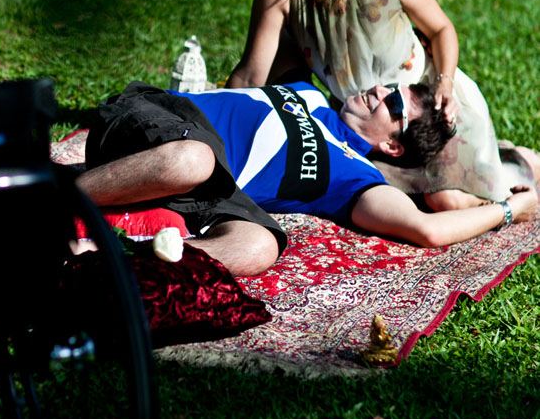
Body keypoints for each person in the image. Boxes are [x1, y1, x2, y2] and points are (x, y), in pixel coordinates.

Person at [226, 0, 539, 208]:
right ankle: (505, 161)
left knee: (445, 201)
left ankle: (512, 192)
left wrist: (445, 83)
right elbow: (251, 74)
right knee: (381, 202)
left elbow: (441, 29)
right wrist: (216, 128)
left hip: (428, 111)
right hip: (366, 126)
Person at [74, 80, 537, 277]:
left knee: (260, 246)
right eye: (389, 85)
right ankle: (56, 196)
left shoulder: (357, 179)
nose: (379, 90)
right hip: (161, 122)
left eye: (393, 104)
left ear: (394, 147)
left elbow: (428, 229)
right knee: (195, 159)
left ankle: (109, 262)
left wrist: (510, 209)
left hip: (209, 189)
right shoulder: (308, 90)